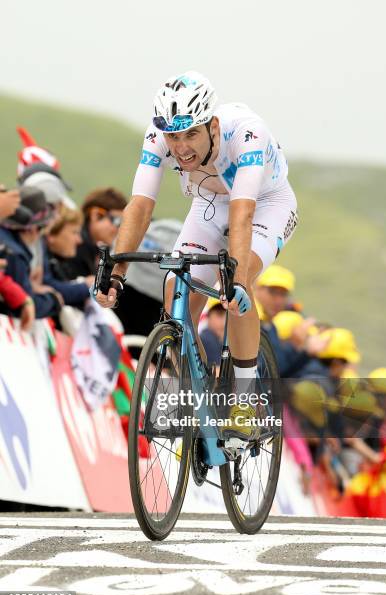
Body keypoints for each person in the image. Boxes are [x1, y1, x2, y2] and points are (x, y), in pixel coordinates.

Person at [96, 70, 299, 440]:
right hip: (208, 205)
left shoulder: (247, 134)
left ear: (213, 125)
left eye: (191, 133)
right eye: (174, 136)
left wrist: (236, 280)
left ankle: (244, 400)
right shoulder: (157, 137)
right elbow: (140, 206)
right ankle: (196, 394)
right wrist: (116, 271)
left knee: (238, 283)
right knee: (177, 286)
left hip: (266, 205)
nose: (182, 146)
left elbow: (243, 213)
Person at [0, 186, 61, 318]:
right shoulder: (15, 255)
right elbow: (25, 308)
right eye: (42, 228)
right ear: (31, 229)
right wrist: (54, 300)